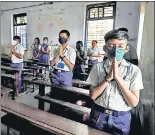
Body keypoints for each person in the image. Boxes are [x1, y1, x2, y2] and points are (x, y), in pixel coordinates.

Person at [85, 29, 144, 135]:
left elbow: (134, 102)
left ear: (127, 49)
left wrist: (118, 78)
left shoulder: (134, 70)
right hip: (99, 114)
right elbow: (93, 96)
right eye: (111, 45)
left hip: (121, 118)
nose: (116, 50)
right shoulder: (98, 67)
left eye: (121, 46)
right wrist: (108, 78)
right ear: (105, 48)